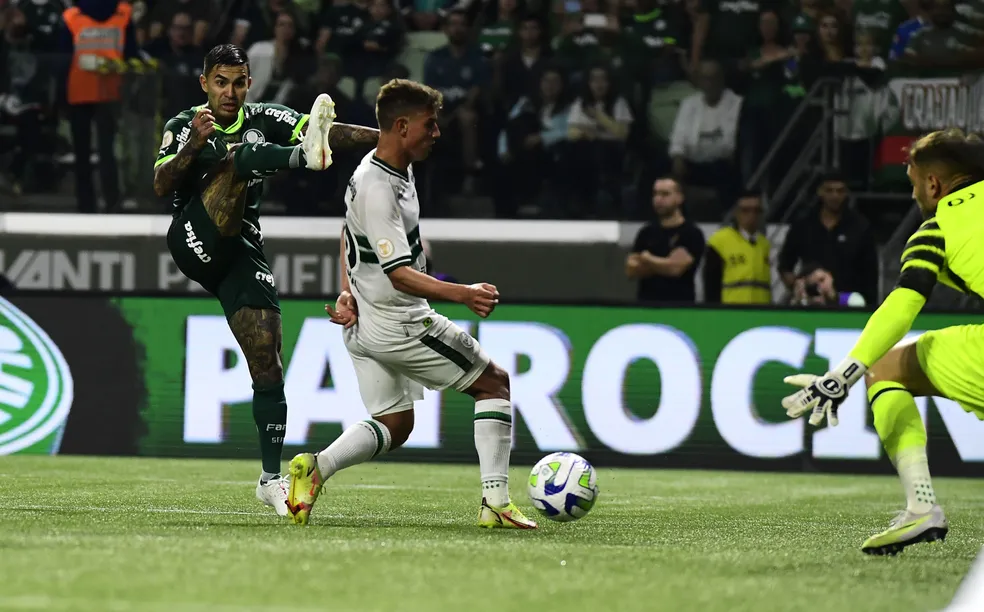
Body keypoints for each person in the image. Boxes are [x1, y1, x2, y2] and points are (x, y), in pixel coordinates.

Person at [285, 79, 537, 531]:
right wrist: (465, 293)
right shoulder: (379, 186)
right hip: (401, 324)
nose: (437, 133)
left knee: (396, 424)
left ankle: (315, 468)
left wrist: (347, 288)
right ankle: (496, 503)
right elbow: (399, 274)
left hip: (364, 324)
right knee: (494, 383)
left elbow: (348, 235)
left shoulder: (380, 169)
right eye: (430, 124)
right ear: (402, 126)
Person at [153, 44, 380, 517]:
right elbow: (160, 185)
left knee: (268, 358)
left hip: (240, 249)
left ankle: (270, 479)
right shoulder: (183, 124)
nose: (230, 92)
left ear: (249, 83)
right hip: (194, 236)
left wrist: (390, 140)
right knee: (237, 159)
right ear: (204, 84)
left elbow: (330, 131)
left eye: (238, 82)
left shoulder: (265, 115)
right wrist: (194, 144)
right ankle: (303, 159)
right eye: (220, 82)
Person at [781, 128, 984, 555]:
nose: (914, 197)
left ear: (933, 183)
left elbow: (901, 306)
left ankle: (921, 507)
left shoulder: (937, 229)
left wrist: (844, 374)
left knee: (885, 368)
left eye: (913, 185)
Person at [625, 177, 706, 303]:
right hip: (646, 305)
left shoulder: (692, 233)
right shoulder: (646, 232)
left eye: (665, 194)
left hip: (680, 307)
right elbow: (631, 270)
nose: (659, 199)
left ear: (679, 198)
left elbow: (675, 269)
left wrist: (647, 258)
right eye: (655, 194)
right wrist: (664, 263)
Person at [703, 194, 771, 305]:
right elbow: (711, 285)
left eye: (757, 210)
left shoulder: (764, 244)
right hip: (731, 311)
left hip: (761, 310)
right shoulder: (720, 241)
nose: (752, 215)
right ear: (736, 213)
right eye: (746, 210)